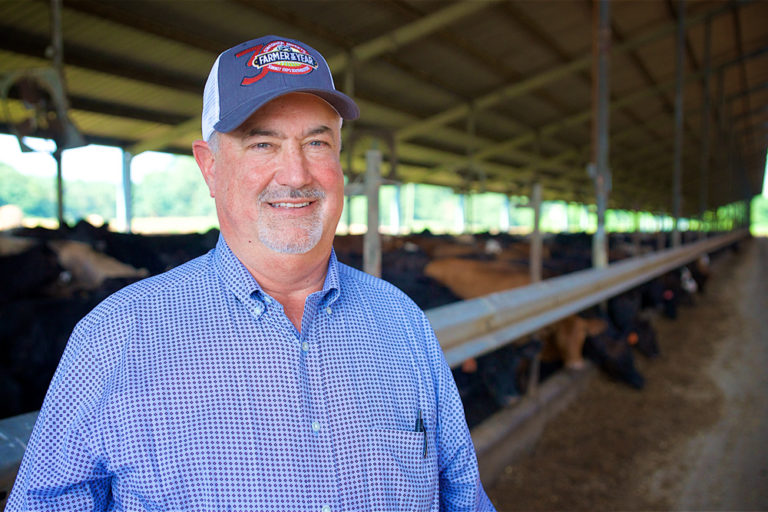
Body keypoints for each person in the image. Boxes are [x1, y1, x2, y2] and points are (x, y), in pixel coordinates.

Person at [7, 35, 495, 511]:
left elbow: (463, 496)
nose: (297, 174)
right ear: (210, 168)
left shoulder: (402, 321)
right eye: (263, 144)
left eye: (318, 143)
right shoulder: (118, 334)